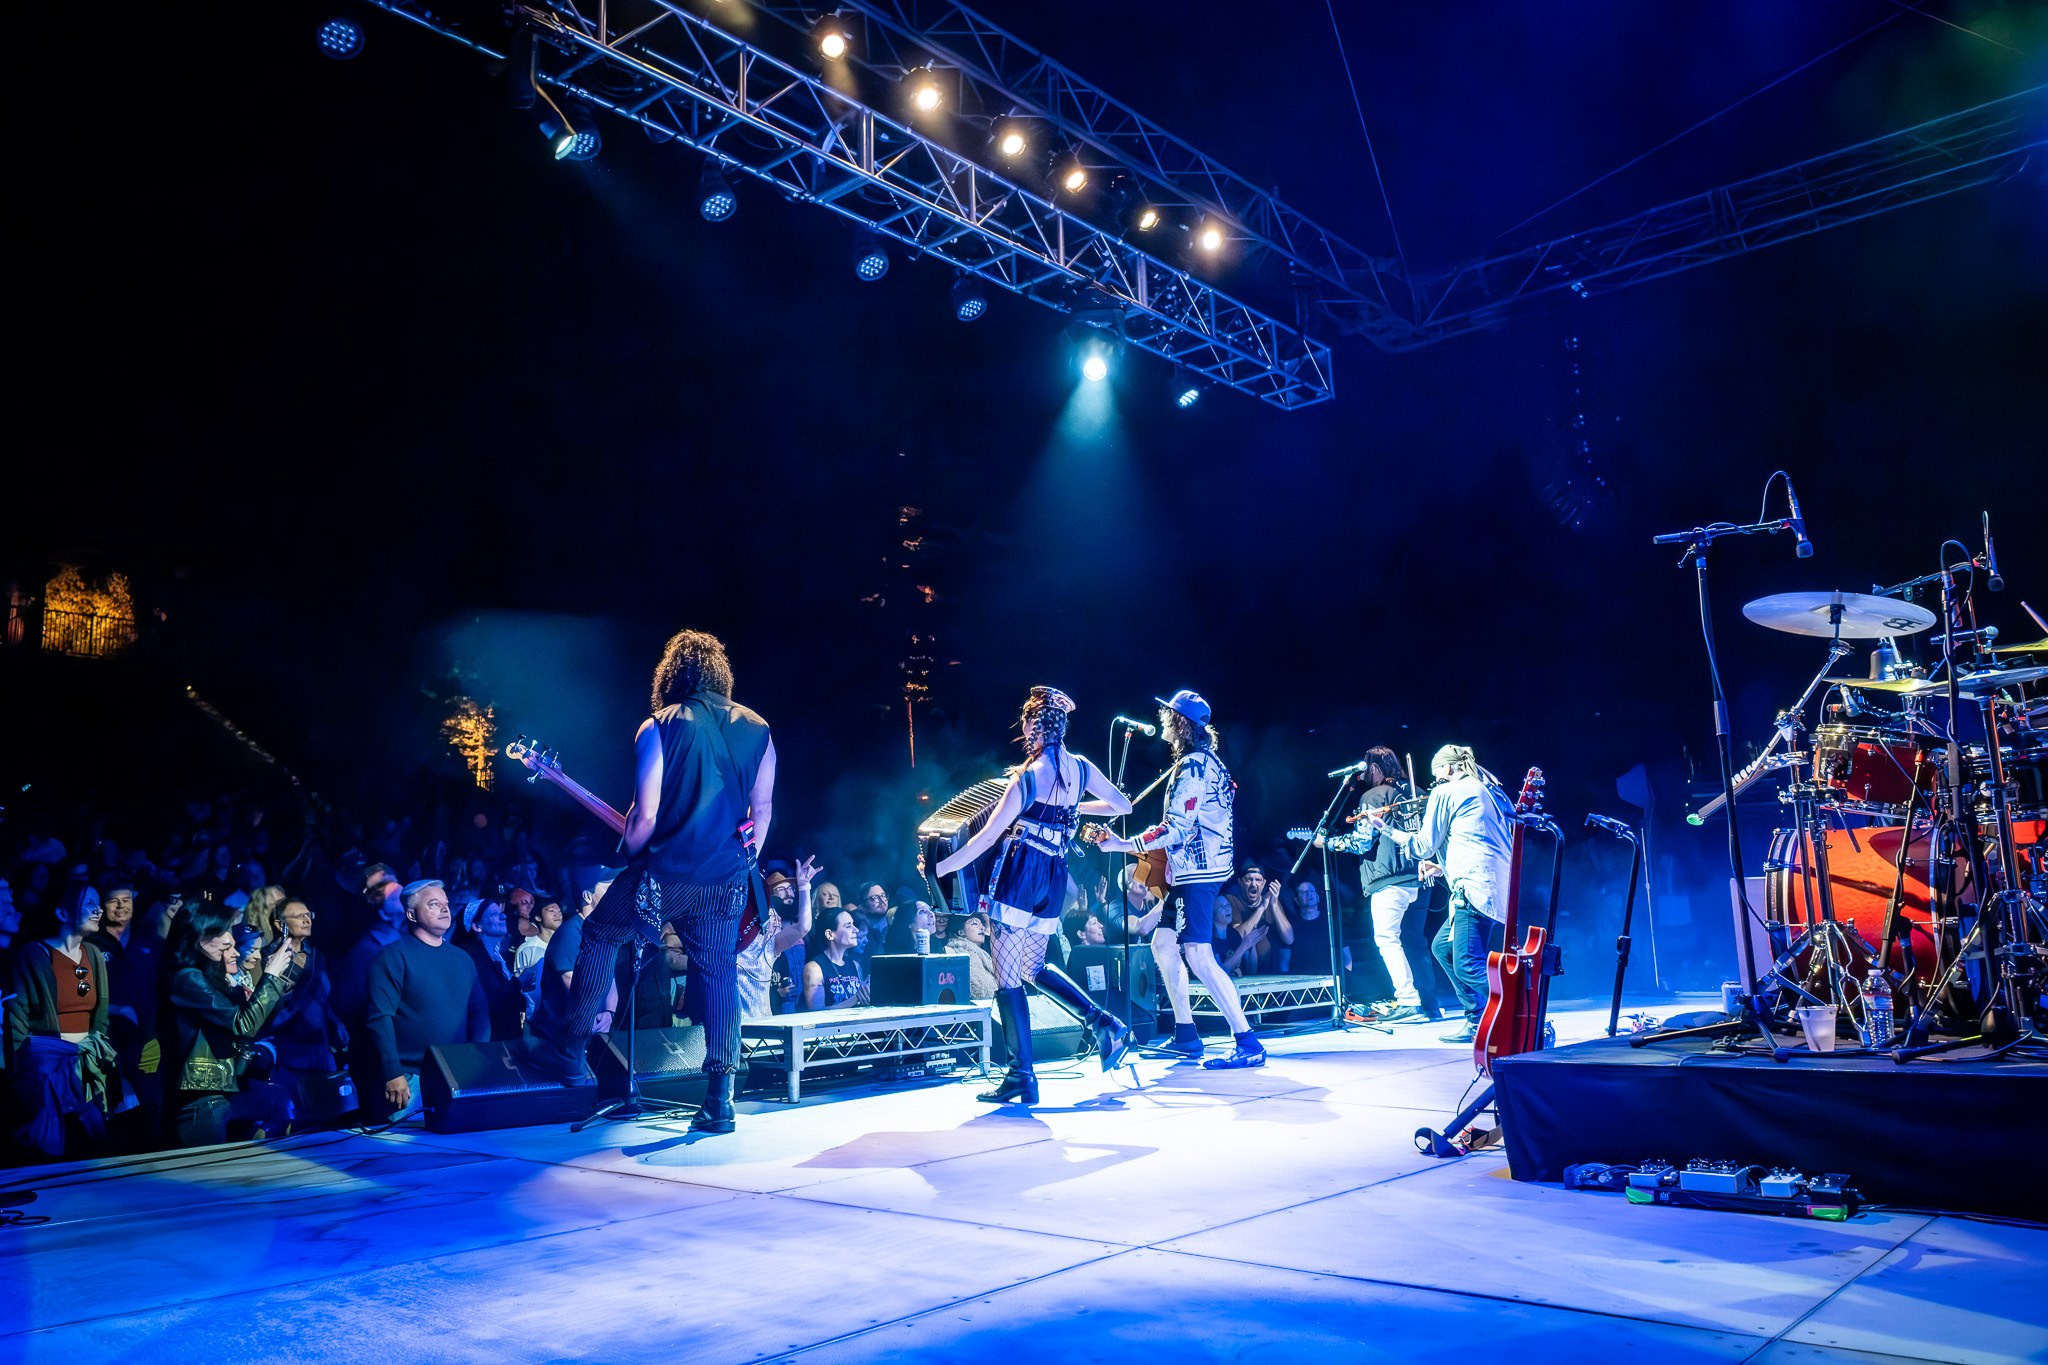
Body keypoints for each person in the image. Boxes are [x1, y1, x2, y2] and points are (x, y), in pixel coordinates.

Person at [524, 629, 775, 1138]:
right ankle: (719, 1099)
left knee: (598, 935)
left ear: (672, 676)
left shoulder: (657, 726)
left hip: (665, 872)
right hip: (726, 879)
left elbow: (644, 818)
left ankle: (571, 1051)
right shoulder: (759, 728)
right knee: (719, 972)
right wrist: (740, 859)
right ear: (720, 675)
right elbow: (763, 810)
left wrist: (633, 853)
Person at [931, 686, 1136, 1105]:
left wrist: (941, 868)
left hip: (1021, 871)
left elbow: (987, 838)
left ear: (1031, 726)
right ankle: (1103, 1022)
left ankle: (1020, 1076)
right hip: (1054, 874)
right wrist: (1076, 808)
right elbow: (1123, 806)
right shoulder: (1079, 768)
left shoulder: (1029, 776)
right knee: (1033, 964)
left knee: (1009, 973)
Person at [1091, 689, 1264, 1068]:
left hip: (1198, 873)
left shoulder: (1194, 767)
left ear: (1181, 723)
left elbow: (1177, 827)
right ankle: (1187, 1035)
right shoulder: (1201, 762)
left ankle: (1247, 1041)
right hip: (1192, 868)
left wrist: (1123, 844)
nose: (1162, 720)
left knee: (1198, 955)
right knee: (1164, 946)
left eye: (1168, 715)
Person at [1366, 744, 1515, 1044]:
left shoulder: (1447, 792)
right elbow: (1476, 841)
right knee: (1442, 949)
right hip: (1495, 887)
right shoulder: (1488, 791)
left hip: (1472, 889)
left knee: (1467, 963)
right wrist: (1441, 866)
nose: (1436, 781)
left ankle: (1518, 1010)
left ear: (1448, 768)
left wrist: (1386, 828)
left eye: (1437, 775)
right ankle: (1477, 1021)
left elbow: (1422, 845)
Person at [161, 904, 300, 1147]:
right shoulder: (187, 978)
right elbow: (243, 1024)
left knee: (280, 1100)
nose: (229, 939)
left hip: (227, 1089)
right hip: (202, 1098)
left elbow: (255, 1021)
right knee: (209, 1176)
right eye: (223, 932)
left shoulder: (210, 976)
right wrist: (271, 976)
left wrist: (278, 983)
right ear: (199, 935)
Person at [364, 880, 491, 1120]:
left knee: (466, 1151)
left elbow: (480, 1013)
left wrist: (474, 1062)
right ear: (411, 914)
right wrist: (392, 1072)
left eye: (446, 903)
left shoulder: (462, 959)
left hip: (457, 1076)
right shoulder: (392, 957)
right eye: (434, 904)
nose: (445, 909)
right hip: (411, 1079)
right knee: (413, 1154)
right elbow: (380, 1018)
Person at [6, 885, 116, 1157]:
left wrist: (94, 1050)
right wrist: (24, 1071)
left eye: (99, 903)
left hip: (85, 1064)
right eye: (89, 903)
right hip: (48, 1068)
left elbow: (100, 1013)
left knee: (91, 1142)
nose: (99, 910)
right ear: (61, 911)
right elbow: (17, 1014)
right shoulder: (35, 954)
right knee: (52, 1144)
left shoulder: (93, 954)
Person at [460, 899, 526, 1042]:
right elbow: (493, 1001)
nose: (504, 916)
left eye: (501, 913)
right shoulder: (473, 958)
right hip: (489, 1043)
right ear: (477, 926)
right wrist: (520, 983)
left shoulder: (497, 957)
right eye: (494, 914)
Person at [1222, 862, 1290, 976]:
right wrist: (1262, 907)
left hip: (1272, 974)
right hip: (1244, 973)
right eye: (1249, 879)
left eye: (1258, 880)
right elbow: (1237, 936)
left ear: (1263, 883)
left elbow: (1289, 939)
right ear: (1240, 882)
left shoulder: (1272, 902)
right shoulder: (1232, 901)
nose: (1253, 884)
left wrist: (1274, 905)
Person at [801, 907, 871, 1009]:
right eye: (848, 926)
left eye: (853, 924)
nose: (855, 930)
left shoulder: (855, 965)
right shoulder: (814, 969)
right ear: (830, 934)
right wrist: (855, 998)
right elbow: (816, 1014)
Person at [943, 910, 997, 1001]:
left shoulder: (982, 954)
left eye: (982, 924)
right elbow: (982, 991)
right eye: (975, 924)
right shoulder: (962, 954)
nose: (982, 927)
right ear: (961, 932)